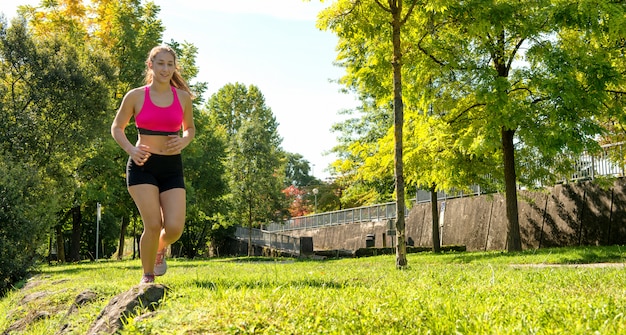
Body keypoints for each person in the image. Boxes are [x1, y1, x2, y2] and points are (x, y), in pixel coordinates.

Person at [111, 45, 195, 284]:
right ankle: (147, 276)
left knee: (175, 228)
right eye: (160, 64)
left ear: (174, 67)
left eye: (170, 64)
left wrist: (184, 141)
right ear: (151, 65)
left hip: (171, 167)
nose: (165, 69)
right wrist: (131, 149)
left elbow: (189, 129)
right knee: (153, 223)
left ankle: (159, 248)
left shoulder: (183, 97)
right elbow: (117, 127)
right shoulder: (136, 96)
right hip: (142, 165)